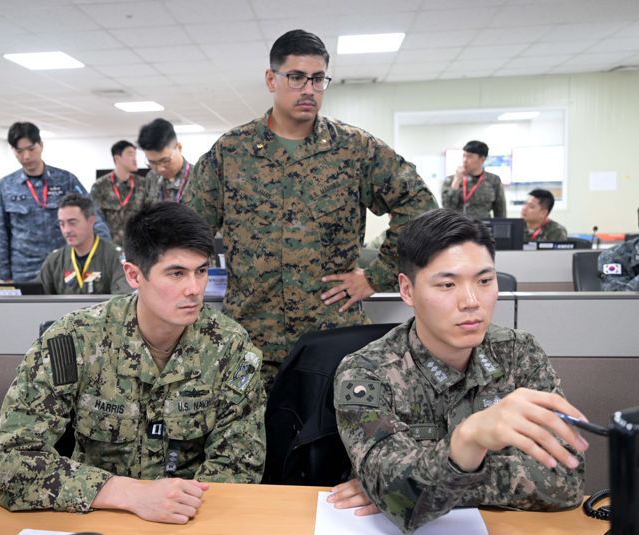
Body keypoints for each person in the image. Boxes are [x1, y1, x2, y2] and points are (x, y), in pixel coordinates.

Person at [182, 29, 437, 386]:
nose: (309, 90)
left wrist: (375, 277)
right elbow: (188, 231)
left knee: (332, 439)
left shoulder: (354, 149)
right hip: (251, 342)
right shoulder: (231, 152)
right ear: (272, 79)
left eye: (318, 79)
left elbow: (421, 207)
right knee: (254, 441)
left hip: (331, 339)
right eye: (297, 77)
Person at [0, 202, 266, 524]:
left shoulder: (230, 347)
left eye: (201, 271)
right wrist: (129, 494)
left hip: (191, 519)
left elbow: (240, 465)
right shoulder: (74, 341)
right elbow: (9, 461)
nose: (194, 289)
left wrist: (180, 509)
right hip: (98, 516)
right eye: (176, 273)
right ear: (133, 274)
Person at [332, 209, 586, 533]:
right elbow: (399, 498)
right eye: (447, 284)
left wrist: (426, 484)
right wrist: (467, 439)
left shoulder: (520, 354)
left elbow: (565, 479)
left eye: (484, 281)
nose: (471, 301)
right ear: (407, 290)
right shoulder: (366, 373)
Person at [0, 121, 111, 282]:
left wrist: (106, 255)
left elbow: (93, 217)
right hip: (25, 270)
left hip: (64, 266)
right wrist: (5, 275)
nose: (26, 156)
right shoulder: (5, 187)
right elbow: (0, 234)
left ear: (41, 145)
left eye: (31, 149)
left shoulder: (66, 180)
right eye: (19, 151)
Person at [37, 193, 131, 295]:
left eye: (72, 223)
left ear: (91, 220)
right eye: (61, 224)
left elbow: (123, 300)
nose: (66, 230)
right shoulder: (55, 261)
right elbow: (36, 299)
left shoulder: (115, 257)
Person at [91, 140, 156, 247]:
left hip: (137, 247)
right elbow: (95, 219)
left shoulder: (143, 184)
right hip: (109, 248)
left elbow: (150, 216)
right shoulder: (99, 187)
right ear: (117, 158)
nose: (135, 159)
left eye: (135, 155)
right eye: (130, 154)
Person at [441, 140, 506, 219]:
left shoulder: (493, 180)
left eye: (469, 156)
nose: (465, 160)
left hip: (483, 227)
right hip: (458, 227)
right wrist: (457, 180)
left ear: (482, 159)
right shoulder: (451, 180)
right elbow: (447, 208)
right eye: (464, 156)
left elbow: (500, 210)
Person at [138, 118, 191, 203]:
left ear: (179, 148)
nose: (160, 169)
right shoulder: (151, 177)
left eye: (165, 160)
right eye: (152, 162)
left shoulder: (199, 178)